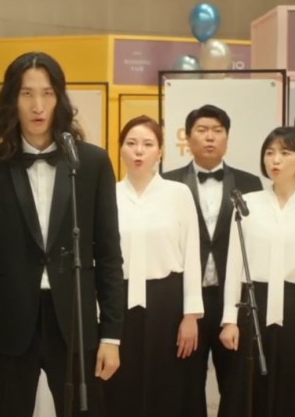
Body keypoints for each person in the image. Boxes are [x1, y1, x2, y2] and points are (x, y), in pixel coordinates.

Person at [0, 51, 124, 417]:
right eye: (27, 94)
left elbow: (110, 255)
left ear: (59, 98)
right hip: (8, 325)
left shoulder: (91, 163)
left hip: (75, 323)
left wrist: (111, 335)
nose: (37, 105)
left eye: (47, 93)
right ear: (11, 100)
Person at [219, 127, 295, 417]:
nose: (275, 159)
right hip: (254, 306)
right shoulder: (246, 203)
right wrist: (229, 320)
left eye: (285, 153)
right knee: (250, 391)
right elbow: (235, 264)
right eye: (270, 153)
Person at [162, 104, 262, 417]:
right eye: (202, 130)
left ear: (227, 139)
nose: (210, 137)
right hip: (183, 301)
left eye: (217, 131)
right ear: (188, 137)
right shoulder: (168, 184)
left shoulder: (250, 184)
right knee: (186, 382)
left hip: (232, 300)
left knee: (236, 382)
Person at [104, 115, 203, 417]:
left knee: (167, 387)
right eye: (131, 143)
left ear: (160, 151)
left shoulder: (178, 193)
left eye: (147, 144)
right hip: (116, 300)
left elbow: (192, 255)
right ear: (120, 148)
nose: (138, 151)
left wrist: (191, 315)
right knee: (118, 388)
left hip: (167, 302)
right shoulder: (107, 195)